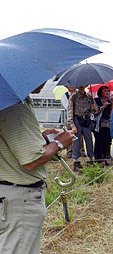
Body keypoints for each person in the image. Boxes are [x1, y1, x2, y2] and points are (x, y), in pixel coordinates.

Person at [0, 83, 73, 254]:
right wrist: (60, 142)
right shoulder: (14, 107)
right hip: (19, 200)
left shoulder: (5, 102)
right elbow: (31, 160)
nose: (46, 80)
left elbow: (11, 145)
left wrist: (41, 139)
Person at [67, 85, 99, 172]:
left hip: (86, 120)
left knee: (89, 139)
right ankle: (76, 161)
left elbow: (95, 112)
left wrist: (94, 108)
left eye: (83, 84)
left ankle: (90, 159)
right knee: (76, 141)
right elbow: (70, 111)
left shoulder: (89, 96)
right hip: (77, 120)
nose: (81, 86)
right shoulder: (73, 96)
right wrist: (72, 125)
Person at [61, 86, 86, 158]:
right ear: (66, 87)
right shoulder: (64, 95)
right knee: (69, 134)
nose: (73, 87)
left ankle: (81, 150)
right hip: (70, 118)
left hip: (79, 117)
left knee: (80, 134)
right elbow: (67, 106)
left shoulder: (80, 94)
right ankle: (70, 151)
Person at [94, 86, 112, 166]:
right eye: (105, 91)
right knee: (99, 141)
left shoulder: (109, 101)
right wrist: (103, 106)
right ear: (101, 92)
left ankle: (104, 158)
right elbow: (95, 112)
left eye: (108, 91)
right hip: (98, 124)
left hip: (107, 123)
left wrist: (112, 104)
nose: (107, 92)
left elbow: (111, 112)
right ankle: (98, 158)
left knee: (106, 141)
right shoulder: (96, 101)